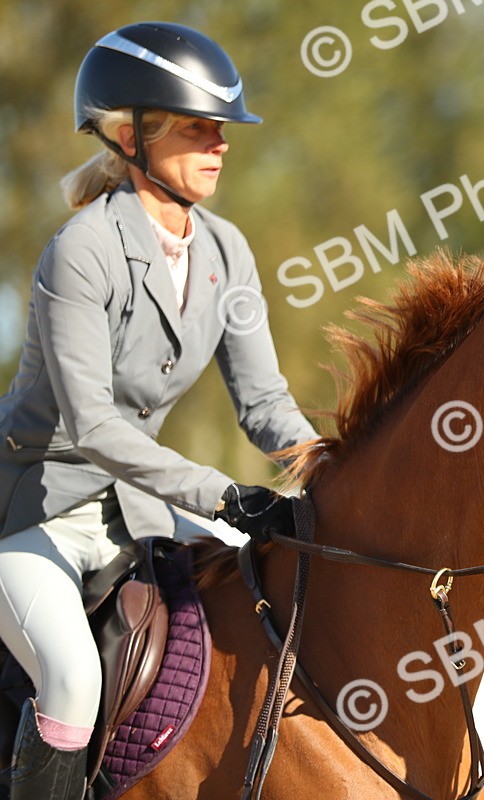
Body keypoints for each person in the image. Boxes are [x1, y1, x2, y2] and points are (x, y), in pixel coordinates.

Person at [0, 22, 317, 798]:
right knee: (72, 679)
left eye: (223, 129)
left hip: (135, 509)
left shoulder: (225, 251)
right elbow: (93, 427)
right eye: (198, 127)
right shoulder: (82, 250)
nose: (221, 144)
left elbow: (265, 401)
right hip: (31, 512)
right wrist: (223, 495)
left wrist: (332, 464)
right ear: (131, 134)